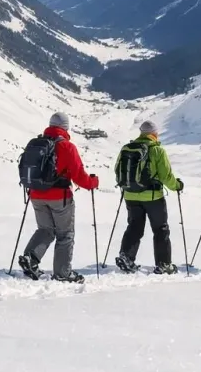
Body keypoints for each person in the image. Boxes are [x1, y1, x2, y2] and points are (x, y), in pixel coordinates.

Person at [17, 113, 99, 283]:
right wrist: (93, 182)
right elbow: (79, 176)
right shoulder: (67, 146)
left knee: (45, 230)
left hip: (36, 194)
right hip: (59, 197)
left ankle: (30, 258)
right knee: (65, 234)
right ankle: (62, 273)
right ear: (65, 128)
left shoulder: (36, 143)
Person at [114, 120, 183, 274]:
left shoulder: (127, 148)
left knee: (134, 227)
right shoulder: (157, 150)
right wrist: (177, 186)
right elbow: (166, 176)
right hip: (153, 197)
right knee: (160, 229)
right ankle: (163, 264)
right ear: (154, 133)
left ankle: (126, 257)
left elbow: (117, 168)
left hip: (130, 195)